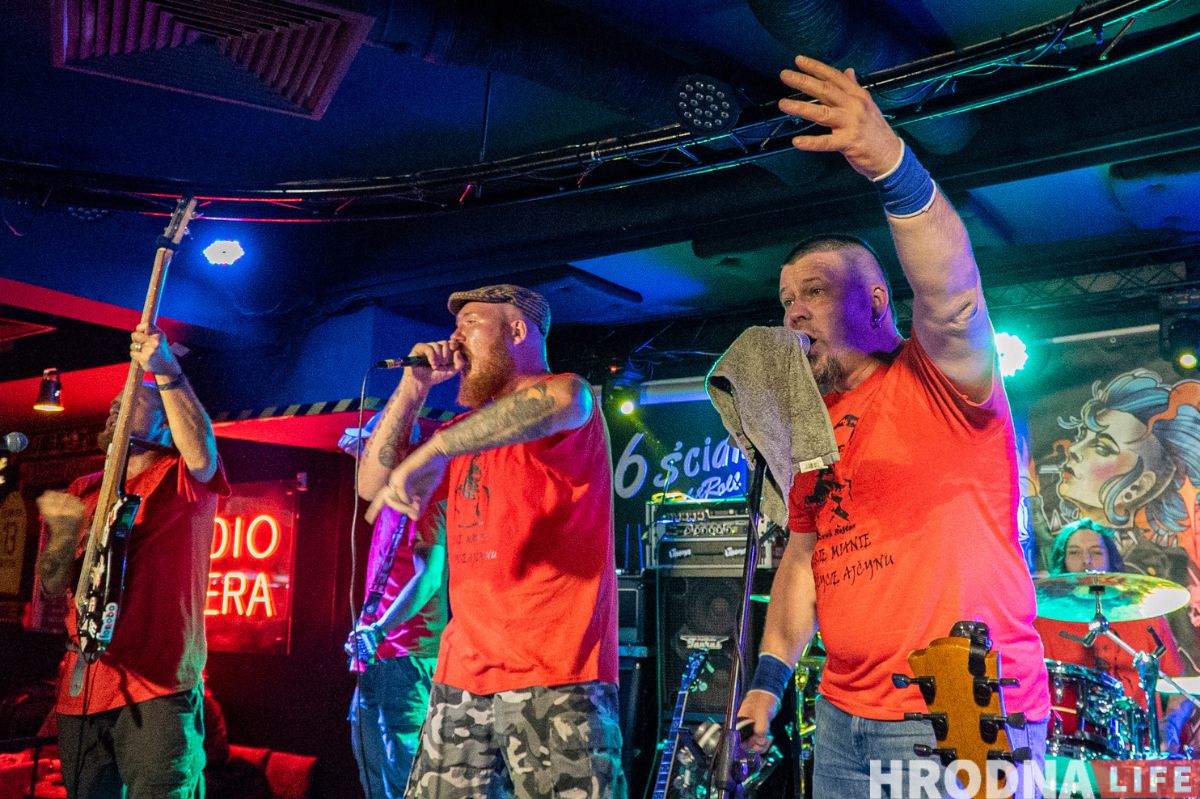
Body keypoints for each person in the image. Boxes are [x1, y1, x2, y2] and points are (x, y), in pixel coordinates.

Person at [736, 55, 1050, 797]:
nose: (794, 311)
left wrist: (889, 164)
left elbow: (955, 297)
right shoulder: (807, 426)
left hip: (962, 700)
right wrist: (768, 682)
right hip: (844, 713)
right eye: (786, 300)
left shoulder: (937, 376)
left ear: (876, 301)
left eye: (815, 291)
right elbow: (804, 559)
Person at [357, 284, 624, 799]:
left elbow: (563, 401)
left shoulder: (568, 395)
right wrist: (413, 388)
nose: (455, 338)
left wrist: (435, 448)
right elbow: (372, 484)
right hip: (461, 675)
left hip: (556, 674)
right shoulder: (463, 432)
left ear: (517, 331)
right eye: (455, 327)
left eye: (472, 324)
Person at [35, 322, 228, 799]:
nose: (114, 406)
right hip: (84, 687)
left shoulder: (182, 479)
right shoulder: (85, 489)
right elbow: (52, 588)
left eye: (131, 401)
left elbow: (201, 449)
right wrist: (61, 539)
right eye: (115, 402)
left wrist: (166, 371)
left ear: (164, 424)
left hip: (158, 687)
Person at [340, 413, 449, 799]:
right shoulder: (391, 496)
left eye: (371, 450)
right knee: (374, 773)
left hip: (406, 657)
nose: (363, 458)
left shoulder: (423, 494)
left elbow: (429, 577)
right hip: (380, 655)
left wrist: (378, 629)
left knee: (404, 778)